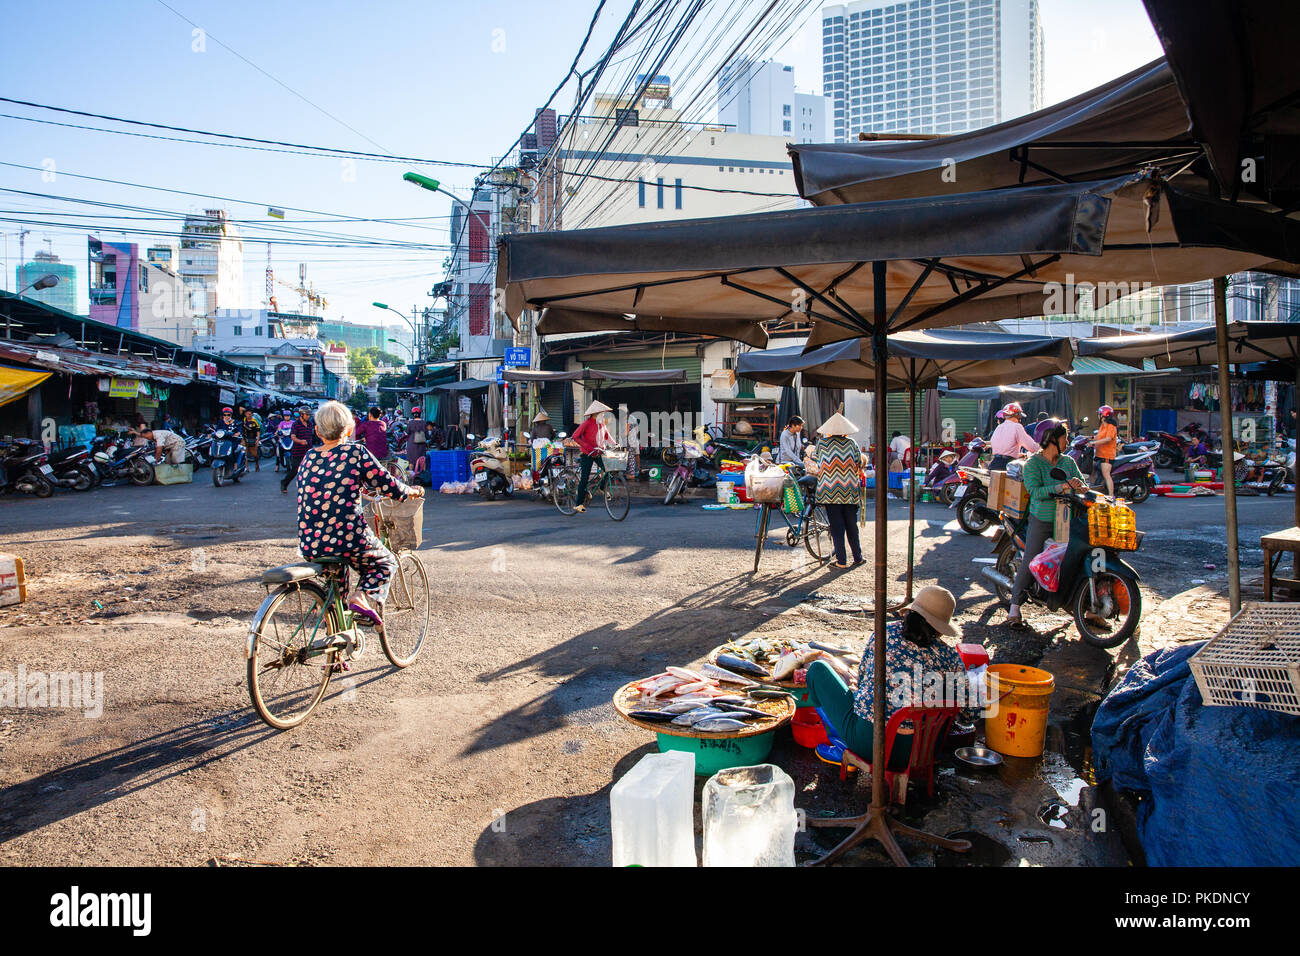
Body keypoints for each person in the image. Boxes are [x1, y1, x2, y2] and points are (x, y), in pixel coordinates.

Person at [805, 585, 979, 764]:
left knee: (817, 669)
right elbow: (969, 715)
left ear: (910, 613)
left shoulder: (884, 633)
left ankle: (841, 745)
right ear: (939, 628)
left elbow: (863, 680)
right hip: (922, 752)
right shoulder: (949, 656)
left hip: (870, 747)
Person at [294, 400, 424, 627]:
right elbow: (388, 486)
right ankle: (362, 597)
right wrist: (410, 491)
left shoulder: (309, 457)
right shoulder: (355, 452)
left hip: (310, 543)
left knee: (336, 595)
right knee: (385, 562)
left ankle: (335, 654)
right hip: (347, 538)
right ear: (348, 430)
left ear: (317, 431)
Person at [1007, 419, 1086, 629]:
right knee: (1031, 558)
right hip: (1041, 518)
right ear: (1051, 439)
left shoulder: (1068, 462)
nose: (1067, 441)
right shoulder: (1033, 464)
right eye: (1064, 437)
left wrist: (1081, 487)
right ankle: (1014, 606)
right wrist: (1062, 486)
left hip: (1068, 518)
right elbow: (1035, 492)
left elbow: (1082, 482)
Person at [815, 412, 868, 569]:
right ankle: (858, 557)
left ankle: (841, 561)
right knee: (852, 525)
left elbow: (818, 461)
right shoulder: (852, 443)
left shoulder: (822, 444)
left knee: (837, 527)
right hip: (850, 490)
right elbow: (860, 462)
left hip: (830, 491)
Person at [572, 400, 614, 513]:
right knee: (584, 479)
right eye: (602, 413)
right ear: (596, 413)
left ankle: (601, 487)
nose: (604, 415)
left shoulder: (601, 423)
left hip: (599, 452)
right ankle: (578, 504)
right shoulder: (586, 423)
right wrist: (587, 446)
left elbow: (606, 435)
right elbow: (575, 436)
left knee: (610, 469)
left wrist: (614, 443)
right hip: (587, 454)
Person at [989, 402, 1037, 470]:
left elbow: (1002, 448)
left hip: (994, 463)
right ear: (1017, 415)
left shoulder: (999, 427)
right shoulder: (1017, 427)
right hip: (1007, 465)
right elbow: (1032, 446)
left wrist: (1018, 454)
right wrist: (1040, 449)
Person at [281, 405, 315, 494]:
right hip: (298, 451)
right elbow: (293, 437)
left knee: (310, 469)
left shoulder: (310, 424)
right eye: (306, 415)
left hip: (308, 450)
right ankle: (284, 483)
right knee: (295, 470)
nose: (308, 416)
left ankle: (308, 487)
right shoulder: (295, 424)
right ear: (301, 415)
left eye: (309, 415)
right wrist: (300, 441)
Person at [1089, 405, 1119, 497]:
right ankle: (1093, 490)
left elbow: (1108, 439)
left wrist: (1094, 443)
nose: (1098, 415)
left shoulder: (1111, 426)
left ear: (1103, 415)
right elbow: (1099, 436)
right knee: (1091, 470)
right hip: (1099, 453)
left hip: (1107, 454)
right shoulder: (1103, 425)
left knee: (1106, 474)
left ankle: (1111, 495)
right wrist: (1087, 438)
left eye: (1099, 414)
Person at [404, 406, 430, 477]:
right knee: (422, 460)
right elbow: (427, 436)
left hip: (412, 444)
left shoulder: (410, 423)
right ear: (420, 413)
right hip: (421, 445)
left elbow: (407, 433)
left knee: (411, 461)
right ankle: (424, 477)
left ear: (412, 414)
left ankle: (411, 477)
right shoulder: (424, 423)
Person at [241, 407, 262, 473]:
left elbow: (258, 431)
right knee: (245, 454)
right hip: (244, 438)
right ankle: (246, 468)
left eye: (250, 414)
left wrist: (257, 440)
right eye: (247, 414)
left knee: (254, 454)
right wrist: (246, 410)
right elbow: (240, 409)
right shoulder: (243, 419)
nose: (248, 415)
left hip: (252, 438)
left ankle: (257, 464)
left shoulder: (254, 421)